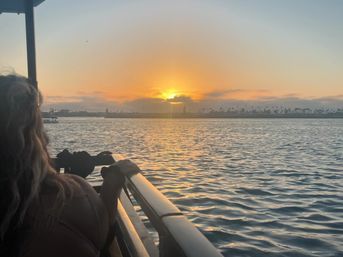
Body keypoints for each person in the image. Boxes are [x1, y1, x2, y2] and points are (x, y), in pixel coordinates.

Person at [0, 74, 140, 257]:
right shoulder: (73, 197)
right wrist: (111, 186)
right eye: (40, 128)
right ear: (36, 139)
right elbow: (104, 239)